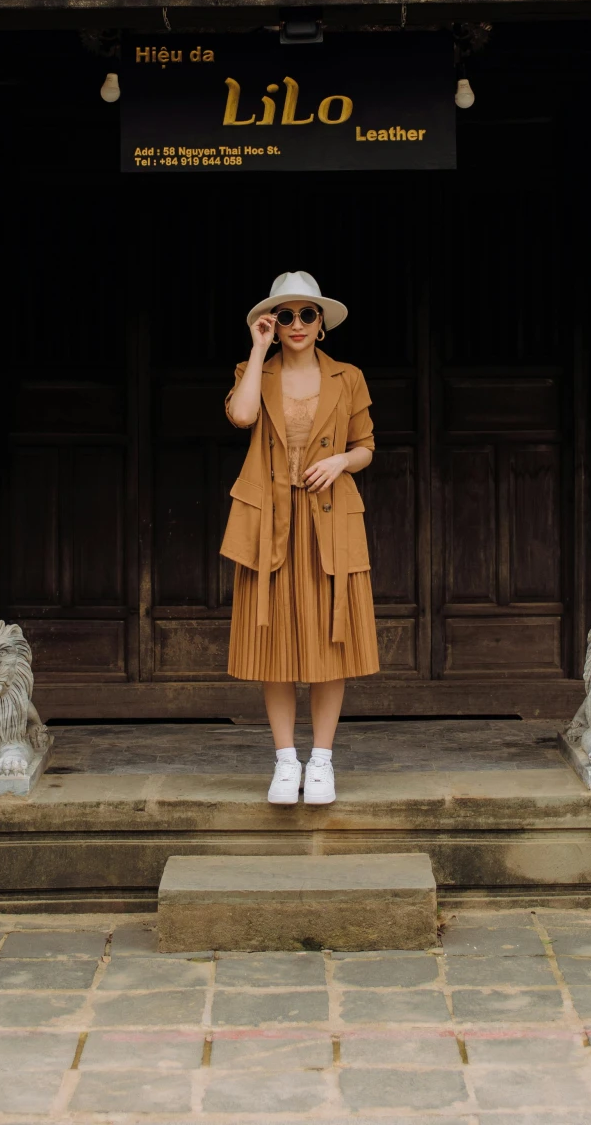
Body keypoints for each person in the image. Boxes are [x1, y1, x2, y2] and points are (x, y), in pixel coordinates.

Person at [223, 271, 380, 805]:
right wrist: (257, 345)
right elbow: (241, 415)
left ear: (321, 324)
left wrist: (339, 461)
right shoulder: (253, 372)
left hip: (329, 519)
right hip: (270, 520)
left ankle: (322, 762)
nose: (295, 324)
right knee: (274, 644)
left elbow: (366, 447)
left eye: (306, 315)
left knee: (331, 642)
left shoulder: (348, 377)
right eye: (284, 315)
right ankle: (286, 761)